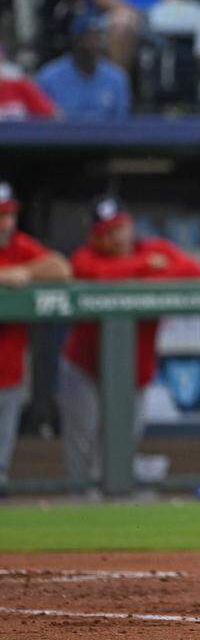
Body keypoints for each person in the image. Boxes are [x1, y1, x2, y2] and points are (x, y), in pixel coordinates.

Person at [58, 196, 200, 484]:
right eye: (108, 232)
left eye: (121, 228)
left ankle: (111, 510)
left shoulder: (155, 247)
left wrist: (137, 267)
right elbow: (96, 274)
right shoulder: (85, 256)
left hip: (133, 371)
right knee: (81, 446)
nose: (117, 237)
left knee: (120, 446)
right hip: (85, 367)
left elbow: (193, 271)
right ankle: (78, 504)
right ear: (95, 236)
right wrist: (147, 267)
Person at [0, 181, 71, 494]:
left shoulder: (19, 246)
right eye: (1, 216)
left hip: (9, 371)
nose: (6, 223)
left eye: (9, 215)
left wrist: (26, 272)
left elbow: (60, 268)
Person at [35, 14, 131, 121]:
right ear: (75, 41)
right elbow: (41, 124)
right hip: (63, 136)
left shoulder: (116, 78)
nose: (95, 44)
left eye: (98, 38)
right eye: (89, 38)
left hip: (106, 137)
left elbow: (122, 124)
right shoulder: (48, 78)